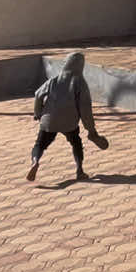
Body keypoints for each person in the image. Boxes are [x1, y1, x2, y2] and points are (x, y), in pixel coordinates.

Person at [27, 51, 102, 182]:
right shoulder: (80, 82)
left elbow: (38, 95)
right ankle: (80, 170)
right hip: (69, 122)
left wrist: (37, 113)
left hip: (49, 120)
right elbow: (85, 109)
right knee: (76, 144)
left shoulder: (53, 80)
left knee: (39, 145)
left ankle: (35, 161)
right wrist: (91, 130)